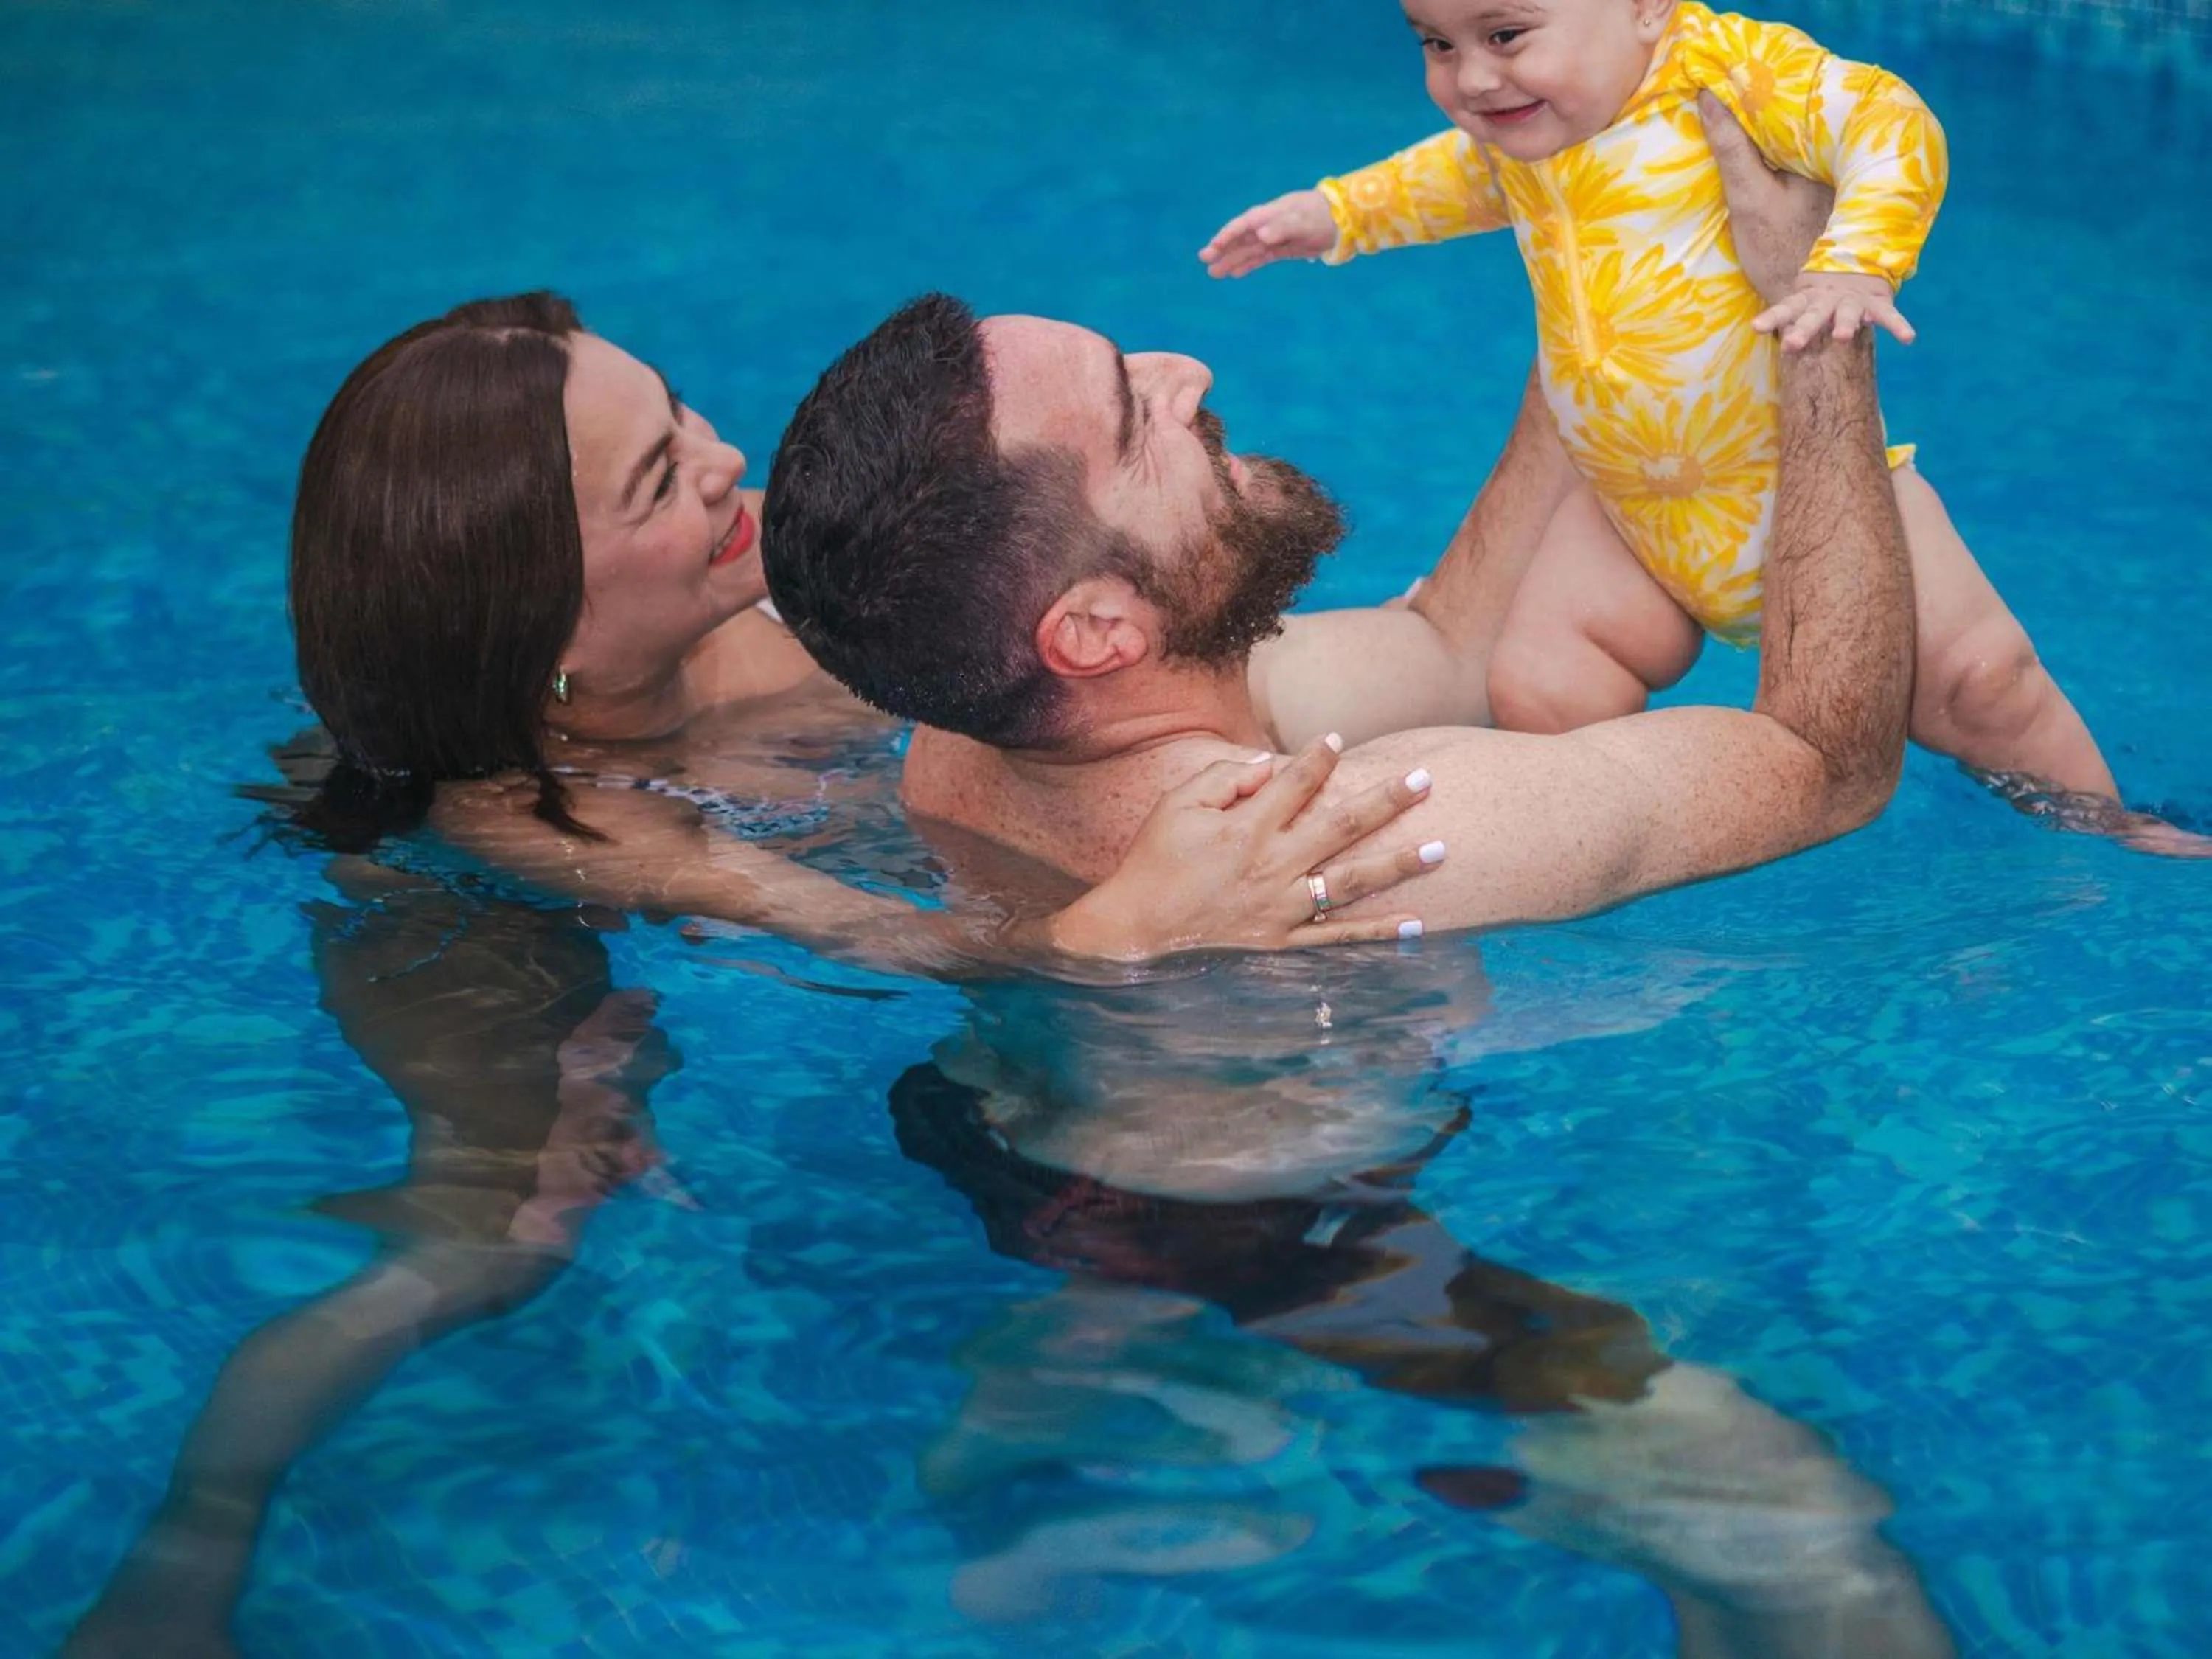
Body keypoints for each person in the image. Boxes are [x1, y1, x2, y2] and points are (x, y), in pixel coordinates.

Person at [762, 98, 1919, 923]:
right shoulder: (1365, 841)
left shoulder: (973, 721)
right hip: (1329, 1198)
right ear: (1097, 629)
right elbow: (1826, 764)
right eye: (1133, 415)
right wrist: (1815, 325)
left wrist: (1609, 274)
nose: (1188, 372)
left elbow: (1448, 647)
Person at [282, 293, 1448, 964]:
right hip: (489, 958)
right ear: (554, 635)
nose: (725, 460)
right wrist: (1133, 927)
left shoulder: (772, 564)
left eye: (678, 410)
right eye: (658, 479)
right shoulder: (558, 817)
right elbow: (883, 940)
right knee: (505, 1210)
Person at [1197, 0, 2118, 801]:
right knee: (1540, 685)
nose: (1471, 78)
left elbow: (1889, 122)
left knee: (1982, 687)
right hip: (1630, 509)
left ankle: (2111, 833)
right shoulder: (1537, 127)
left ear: (1645, 5)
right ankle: (1636, 835)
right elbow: (1462, 175)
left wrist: (1853, 265)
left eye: (1506, 34)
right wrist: (1341, 214)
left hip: (1804, 485)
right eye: (1436, 43)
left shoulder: (1726, 72)